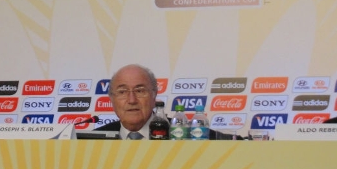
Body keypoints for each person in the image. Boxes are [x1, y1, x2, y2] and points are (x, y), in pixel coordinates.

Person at [95, 64, 239, 140]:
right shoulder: (92, 140)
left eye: (140, 91)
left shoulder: (182, 133)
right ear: (111, 99)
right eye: (122, 92)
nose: (132, 100)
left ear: (154, 94)